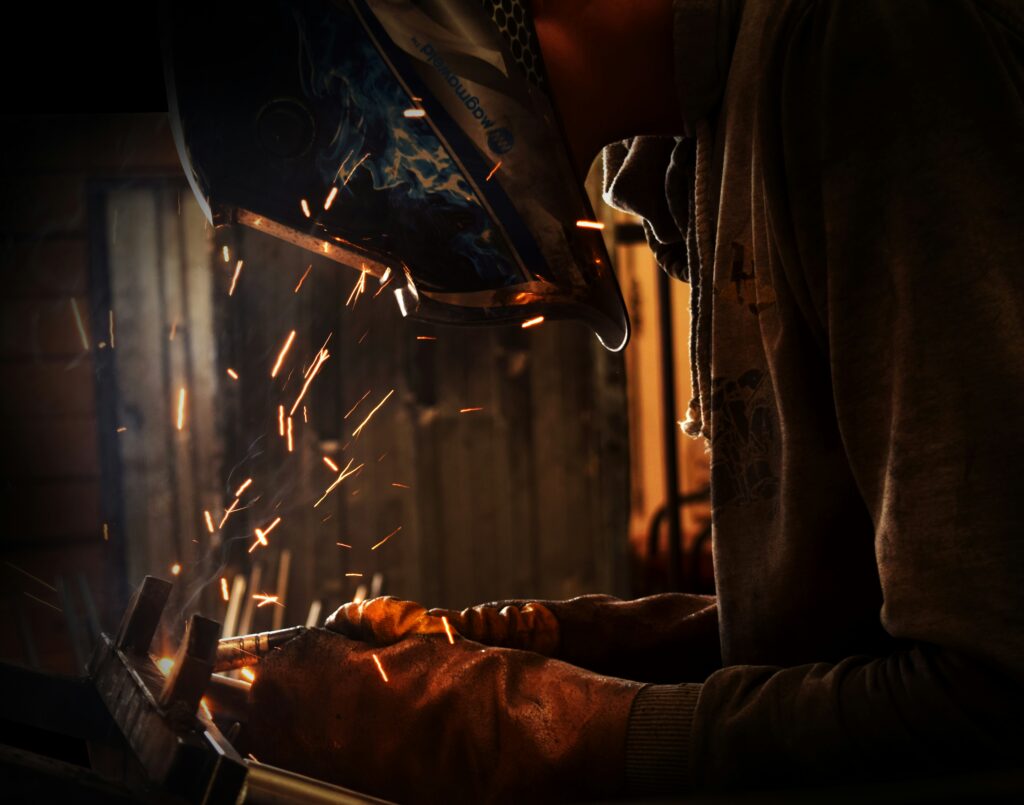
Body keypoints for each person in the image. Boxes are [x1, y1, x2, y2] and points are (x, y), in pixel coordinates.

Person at [171, 0, 1024, 801]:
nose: (397, 257)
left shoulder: (874, 44)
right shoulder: (715, 125)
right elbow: (833, 624)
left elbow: (987, 701)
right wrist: (548, 643)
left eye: (360, 190)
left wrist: (523, 728)